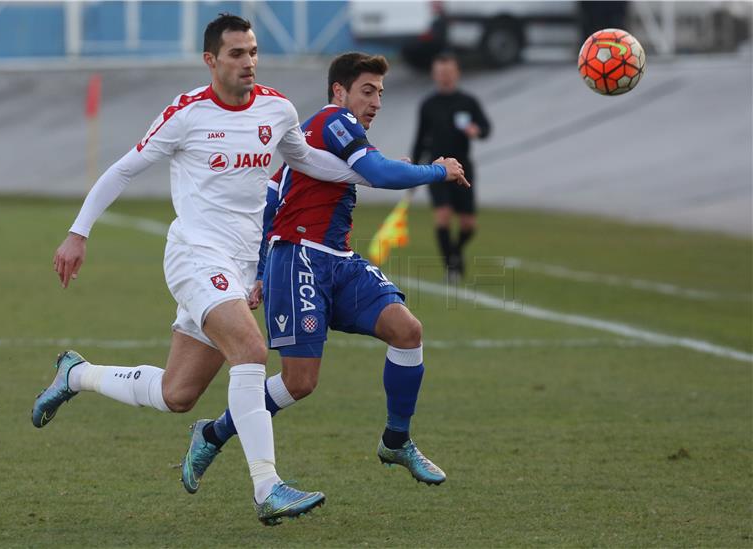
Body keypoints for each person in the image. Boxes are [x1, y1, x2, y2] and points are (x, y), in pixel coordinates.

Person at [31, 13, 376, 526]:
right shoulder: (187, 113)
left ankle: (75, 375)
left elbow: (308, 162)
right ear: (211, 60)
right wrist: (78, 232)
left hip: (238, 265)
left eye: (253, 52)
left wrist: (383, 174)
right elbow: (125, 167)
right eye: (237, 54)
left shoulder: (278, 109)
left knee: (178, 394)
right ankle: (268, 487)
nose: (249, 62)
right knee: (252, 350)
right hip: (194, 254)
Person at [180, 52, 470, 494]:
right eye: (367, 91)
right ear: (339, 92)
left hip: (337, 259)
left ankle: (396, 440)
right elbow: (376, 172)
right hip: (298, 258)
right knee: (300, 383)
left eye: (380, 94)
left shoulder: (314, 137)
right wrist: (438, 169)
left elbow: (273, 197)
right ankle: (213, 433)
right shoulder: (335, 120)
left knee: (407, 330)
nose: (375, 102)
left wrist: (259, 265)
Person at [411, 52, 491, 282]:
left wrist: (478, 131)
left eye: (449, 72)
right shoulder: (428, 105)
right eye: (440, 73)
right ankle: (451, 267)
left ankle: (455, 253)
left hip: (464, 170)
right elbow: (419, 140)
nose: (445, 77)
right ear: (434, 75)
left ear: (457, 73)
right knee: (443, 216)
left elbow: (486, 128)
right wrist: (413, 173)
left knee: (468, 224)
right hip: (437, 170)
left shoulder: (468, 102)